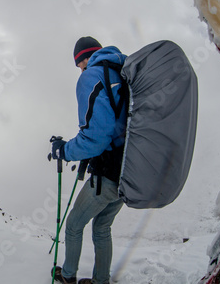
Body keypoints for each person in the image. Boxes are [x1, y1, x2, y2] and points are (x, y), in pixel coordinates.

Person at [50, 36, 128, 284]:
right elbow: (113, 126)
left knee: (73, 224)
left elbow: (95, 138)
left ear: (84, 58)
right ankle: (101, 281)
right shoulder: (121, 72)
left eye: (79, 65)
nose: (80, 70)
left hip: (107, 172)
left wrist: (64, 151)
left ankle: (69, 277)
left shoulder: (91, 76)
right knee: (102, 227)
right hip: (130, 169)